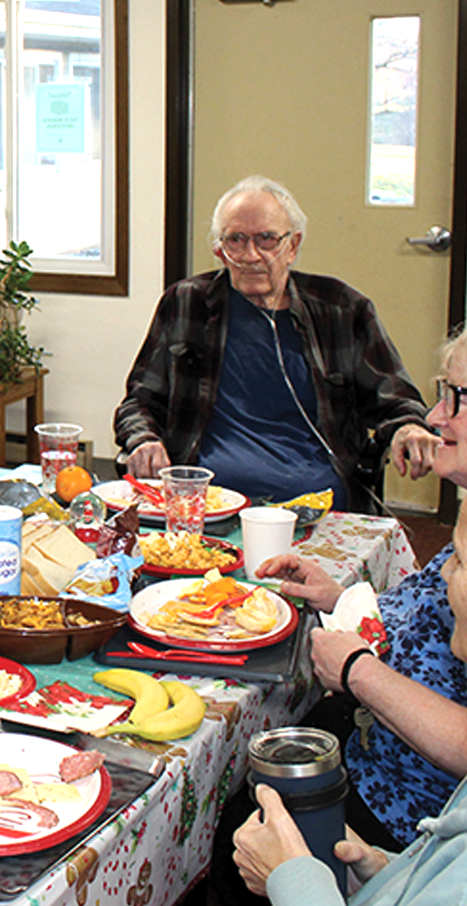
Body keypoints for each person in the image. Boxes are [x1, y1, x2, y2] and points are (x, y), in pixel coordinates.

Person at [243, 330, 467, 851]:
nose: (435, 416)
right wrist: (339, 600)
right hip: (375, 738)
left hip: (412, 811)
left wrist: (358, 673)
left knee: (236, 821)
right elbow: (426, 613)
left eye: (456, 397)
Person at [113, 175, 437, 511]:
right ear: (220, 251)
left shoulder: (342, 309)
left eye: (267, 239)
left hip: (316, 501)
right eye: (236, 240)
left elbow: (396, 398)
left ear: (293, 246)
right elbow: (139, 402)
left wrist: (409, 428)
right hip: (206, 502)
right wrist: (143, 440)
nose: (251, 255)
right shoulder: (186, 303)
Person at [232, 496, 467, 905]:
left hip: (396, 795)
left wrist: (292, 878)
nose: (445, 570)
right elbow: (429, 876)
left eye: (460, 561)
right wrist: (380, 872)